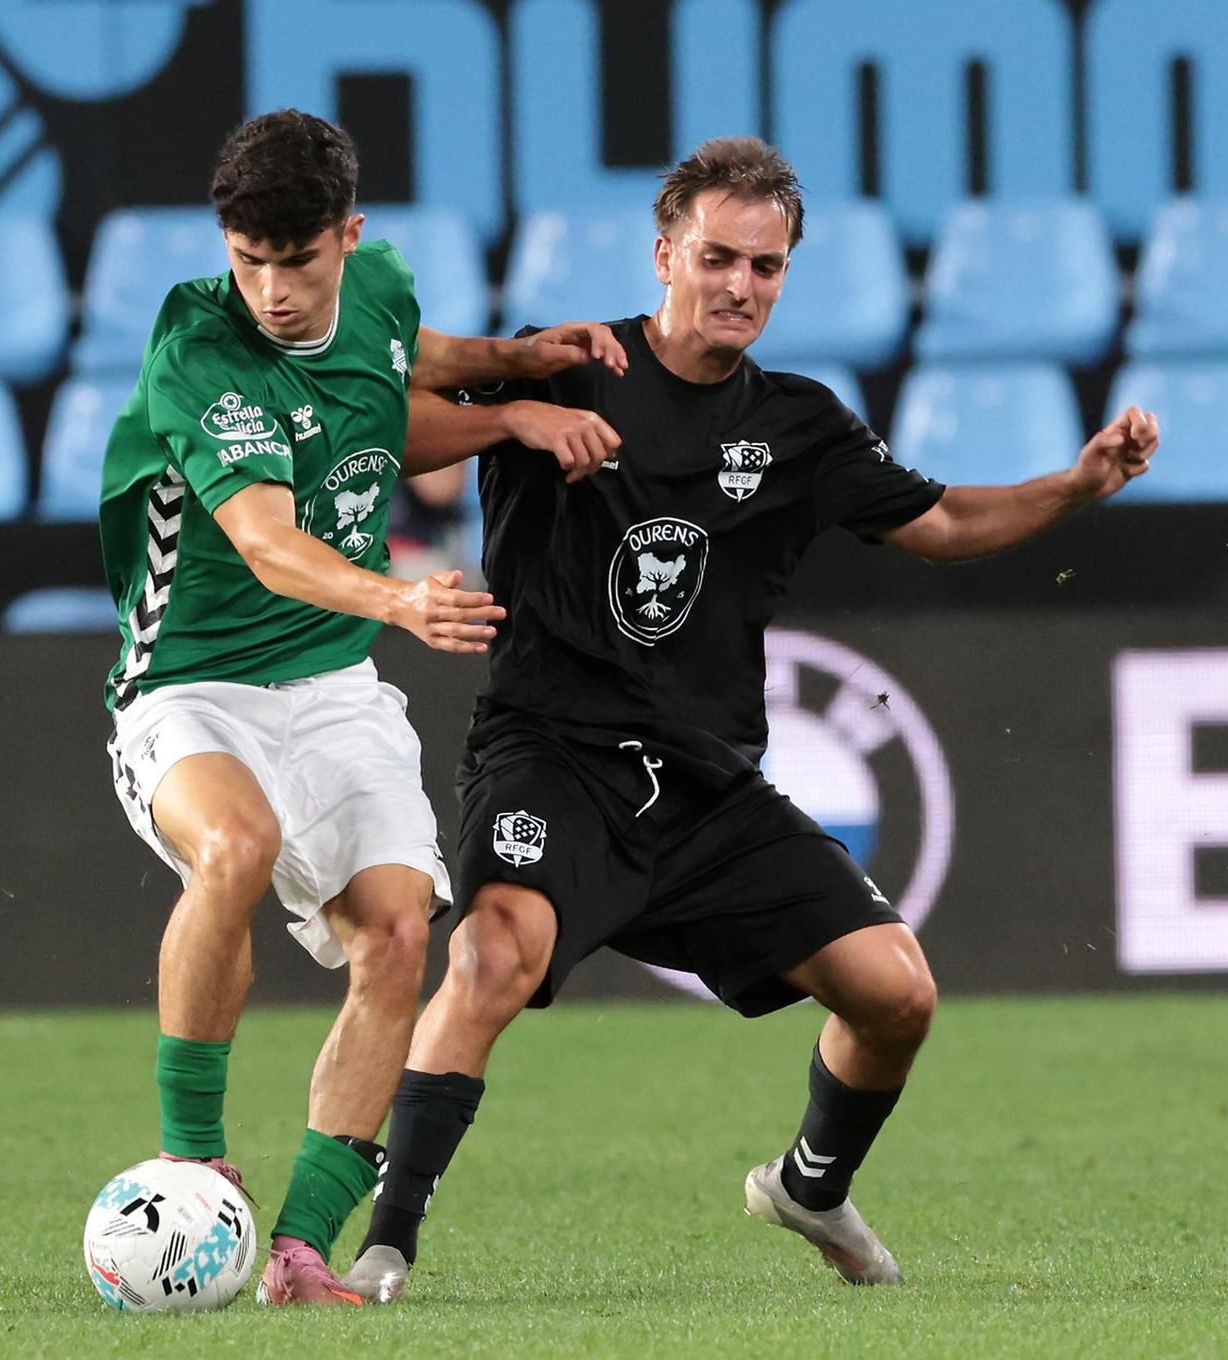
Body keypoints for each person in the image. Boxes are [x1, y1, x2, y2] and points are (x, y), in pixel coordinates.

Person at [344, 136, 1161, 1302]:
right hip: (552, 754)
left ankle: (809, 1185)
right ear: (665, 252)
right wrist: (516, 420)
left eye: (765, 268)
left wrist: (1075, 485)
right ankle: (387, 1242)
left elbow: (941, 522)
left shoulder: (799, 425)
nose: (739, 286)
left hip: (707, 789)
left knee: (896, 993)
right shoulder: (567, 363)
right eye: (718, 257)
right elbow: (388, 431)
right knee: (490, 953)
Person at [98, 108, 624, 1306]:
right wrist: (396, 599)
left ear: (350, 235)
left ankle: (294, 1251)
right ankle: (192, 1163)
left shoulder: (375, 285)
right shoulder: (198, 347)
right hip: (188, 683)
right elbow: (269, 541)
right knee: (237, 845)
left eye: (297, 259)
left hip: (329, 684)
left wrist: (519, 373)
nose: (273, 291)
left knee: (396, 933)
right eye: (249, 260)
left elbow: (400, 368)